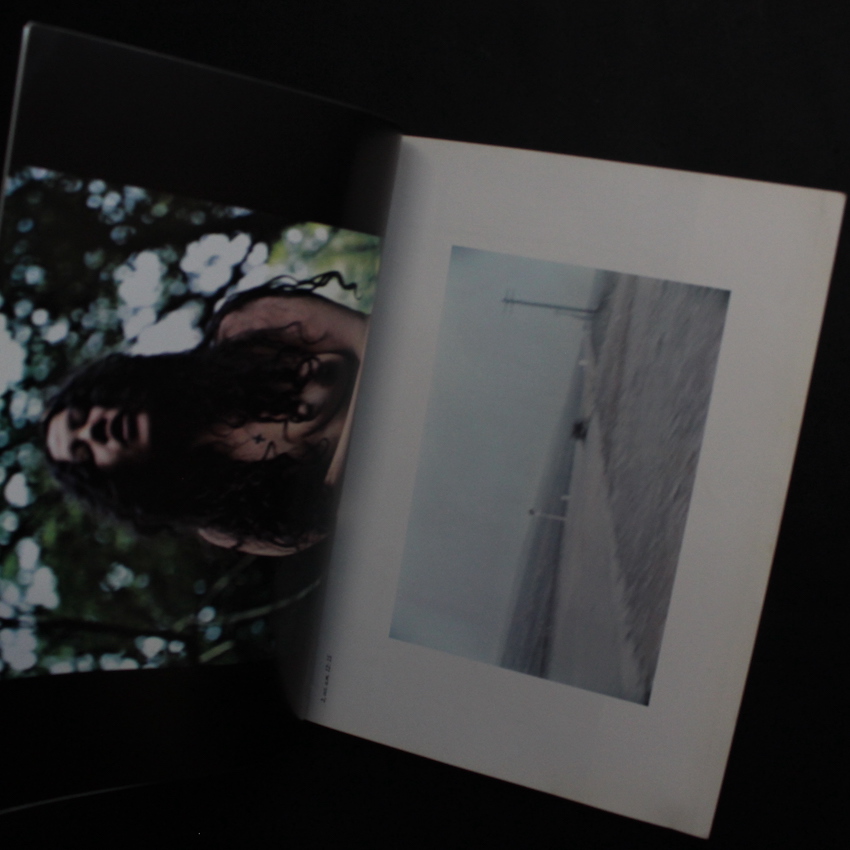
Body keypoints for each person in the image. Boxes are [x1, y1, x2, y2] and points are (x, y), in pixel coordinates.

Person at [43, 273, 368, 557]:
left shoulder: (242, 329)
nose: (94, 431)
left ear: (112, 384)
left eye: (81, 416)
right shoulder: (223, 523)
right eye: (84, 452)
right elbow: (340, 518)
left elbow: (368, 333)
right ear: (111, 483)